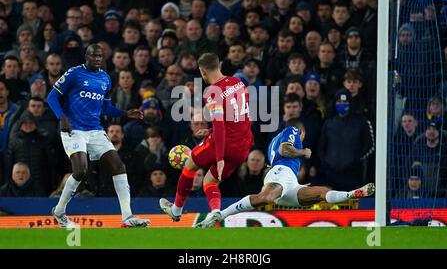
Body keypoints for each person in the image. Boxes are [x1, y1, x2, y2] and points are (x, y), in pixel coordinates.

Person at [195, 118, 375, 228]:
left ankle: (353, 193)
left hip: (290, 184)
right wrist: (303, 152)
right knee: (266, 197)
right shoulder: (292, 130)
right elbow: (284, 149)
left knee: (320, 193)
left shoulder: (273, 140)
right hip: (281, 173)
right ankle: (220, 215)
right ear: (301, 131)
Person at [46, 44, 149, 228]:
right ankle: (60, 211)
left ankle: (127, 216)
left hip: (95, 130)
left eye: (100, 56)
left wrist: (125, 113)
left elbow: (106, 108)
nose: (97, 58)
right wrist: (62, 117)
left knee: (118, 166)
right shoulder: (74, 73)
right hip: (73, 129)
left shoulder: (105, 79)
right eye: (93, 55)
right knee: (80, 170)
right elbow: (52, 97)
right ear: (86, 56)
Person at [159, 52, 254, 222]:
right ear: (219, 66)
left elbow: (219, 125)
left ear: (202, 72)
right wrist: (209, 132)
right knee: (210, 181)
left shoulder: (212, 92)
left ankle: (176, 210)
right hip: (244, 145)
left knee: (189, 166)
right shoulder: (238, 83)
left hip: (225, 143)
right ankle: (215, 212)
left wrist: (219, 158)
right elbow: (241, 118)